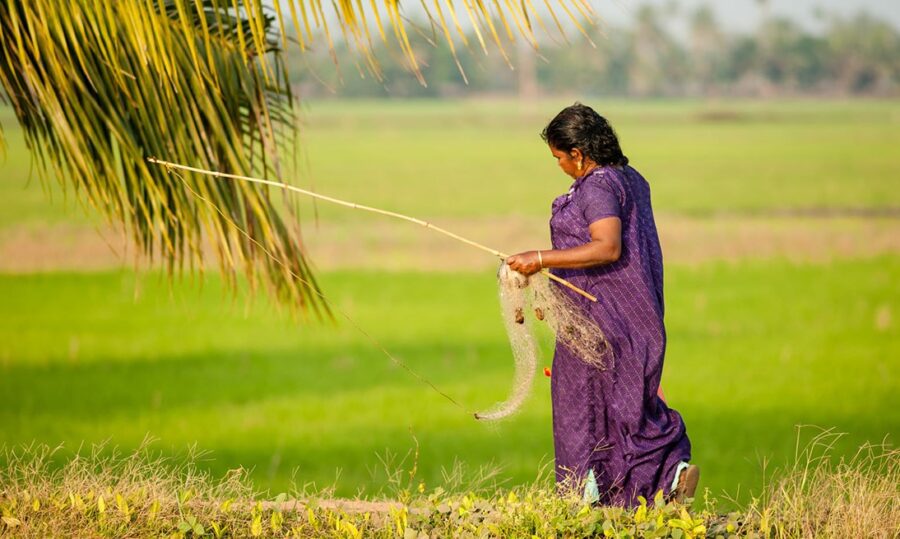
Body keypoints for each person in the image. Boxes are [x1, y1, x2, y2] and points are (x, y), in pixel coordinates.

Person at [506, 103, 698, 507]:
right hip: (633, 315)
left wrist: (539, 259)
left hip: (601, 319)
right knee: (628, 404)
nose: (557, 165)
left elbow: (607, 247)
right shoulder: (631, 179)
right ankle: (666, 478)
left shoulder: (597, 186)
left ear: (578, 153)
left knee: (581, 405)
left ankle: (586, 499)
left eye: (559, 157)